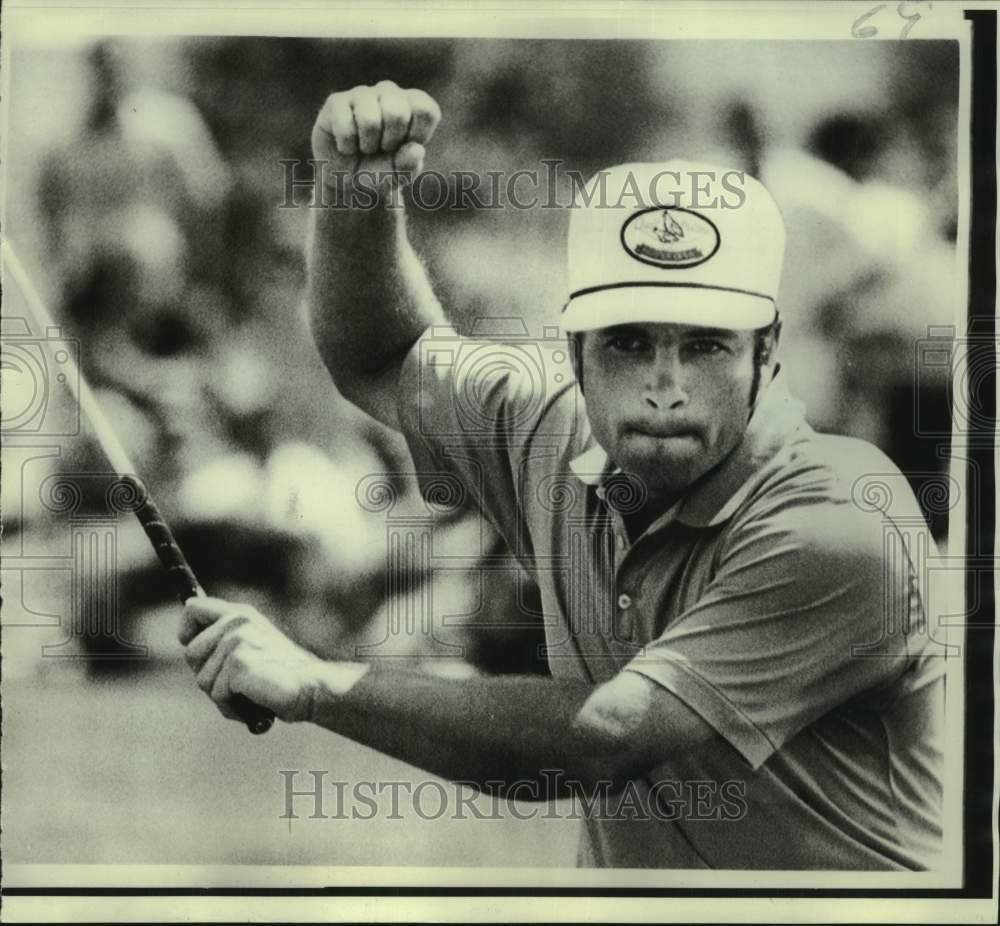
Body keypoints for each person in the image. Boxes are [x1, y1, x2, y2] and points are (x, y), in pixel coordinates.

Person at [179, 80, 945, 869]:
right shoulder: (551, 427)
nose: (665, 382)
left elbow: (607, 737)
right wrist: (355, 193)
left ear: (767, 353)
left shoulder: (841, 523)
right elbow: (381, 353)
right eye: (628, 342)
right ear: (573, 350)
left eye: (707, 345)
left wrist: (315, 684)